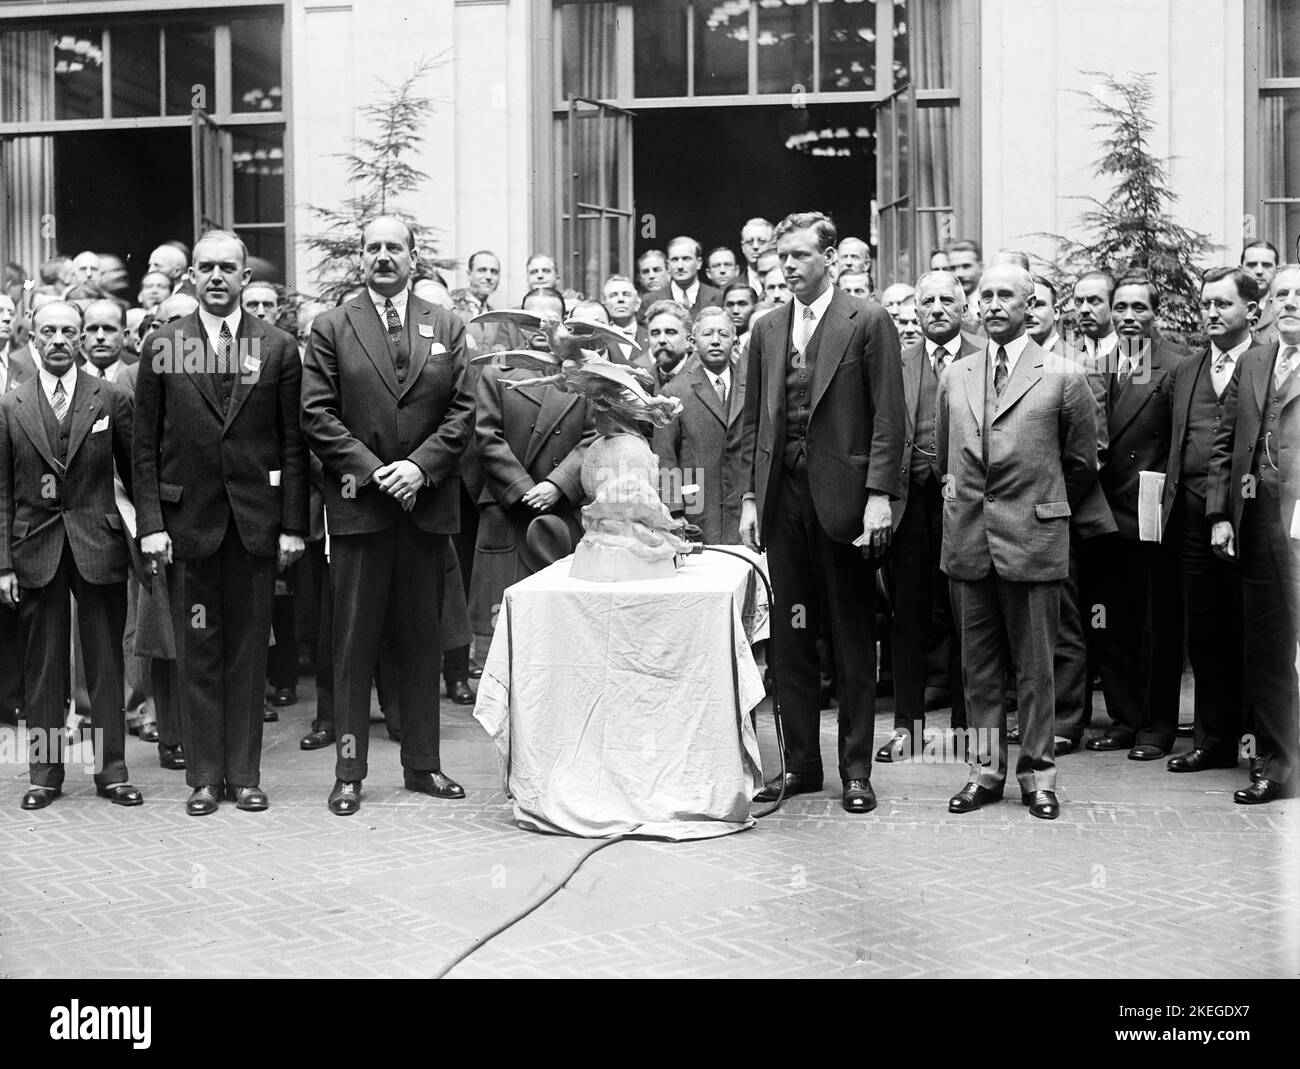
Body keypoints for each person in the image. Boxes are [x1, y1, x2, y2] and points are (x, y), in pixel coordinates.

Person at [301, 216, 474, 817]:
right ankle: (349, 771)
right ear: (361, 259)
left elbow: (464, 413)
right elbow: (317, 415)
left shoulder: (446, 326)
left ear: (413, 256)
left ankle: (423, 765)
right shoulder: (332, 328)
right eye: (372, 248)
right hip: (361, 511)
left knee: (423, 642)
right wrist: (379, 471)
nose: (382, 257)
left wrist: (420, 469)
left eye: (393, 247)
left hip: (425, 512)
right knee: (354, 645)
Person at [134, 230, 308, 817]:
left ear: (244, 278)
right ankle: (206, 777)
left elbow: (292, 444)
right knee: (197, 650)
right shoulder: (164, 345)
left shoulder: (279, 347)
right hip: (189, 525)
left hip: (255, 525)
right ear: (192, 277)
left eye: (226, 268)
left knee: (247, 654)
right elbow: (144, 448)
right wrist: (152, 524)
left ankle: (246, 775)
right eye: (205, 267)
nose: (215, 276)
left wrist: (292, 525)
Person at [739, 210, 906, 815]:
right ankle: (801, 767)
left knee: (853, 637)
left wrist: (880, 497)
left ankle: (856, 770)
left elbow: (890, 416)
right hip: (784, 502)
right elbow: (751, 419)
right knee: (792, 638)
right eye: (783, 257)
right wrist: (752, 498)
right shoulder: (767, 328)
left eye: (801, 256)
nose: (789, 266)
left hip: (847, 504)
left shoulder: (868, 320)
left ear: (830, 258)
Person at [936, 265, 1099, 821]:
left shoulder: (1063, 376)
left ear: (1030, 306)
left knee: (1035, 669)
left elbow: (1080, 463)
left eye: (1007, 295)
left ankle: (1038, 775)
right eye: (986, 296)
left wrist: (1039, 506)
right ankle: (985, 773)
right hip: (968, 540)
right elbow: (945, 458)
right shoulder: (956, 375)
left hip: (1034, 538)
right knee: (977, 669)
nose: (994, 304)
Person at [0, 301, 140, 809]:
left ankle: (112, 771)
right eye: (48, 331)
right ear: (32, 339)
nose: (59, 339)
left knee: (104, 663)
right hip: (35, 545)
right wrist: (2, 564)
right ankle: (45, 773)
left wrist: (149, 533)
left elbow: (137, 471)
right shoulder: (13, 405)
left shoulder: (110, 397)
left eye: (68, 331)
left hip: (97, 542)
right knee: (44, 668)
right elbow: (2, 491)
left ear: (81, 339)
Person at [1082, 276, 1187, 760]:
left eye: (1138, 308)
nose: (1127, 316)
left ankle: (1156, 726)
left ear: (1155, 313)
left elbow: (1181, 442)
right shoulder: (1099, 367)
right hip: (1105, 516)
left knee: (1155, 624)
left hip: (1149, 513)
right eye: (1120, 306)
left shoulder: (1178, 365)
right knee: (1112, 623)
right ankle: (1124, 719)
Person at [1207, 263, 1300, 803]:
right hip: (1259, 522)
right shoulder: (1256, 360)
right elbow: (1226, 441)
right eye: (1281, 294)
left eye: (1298, 294)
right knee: (1266, 650)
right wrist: (1221, 514)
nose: (1288, 302)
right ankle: (1276, 763)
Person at [877, 271, 979, 763]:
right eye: (927, 301)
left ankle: (966, 725)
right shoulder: (896, 361)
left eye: (947, 300)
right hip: (910, 503)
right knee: (909, 615)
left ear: (964, 308)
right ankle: (906, 725)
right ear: (914, 311)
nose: (936, 308)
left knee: (967, 614)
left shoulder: (984, 356)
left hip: (970, 502)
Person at [1160, 267, 1255, 778]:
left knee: (1254, 631)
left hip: (1249, 517)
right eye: (1206, 305)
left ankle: (1257, 742)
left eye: (1223, 304)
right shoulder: (1188, 369)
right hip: (1193, 520)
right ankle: (1211, 740)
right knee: (1206, 634)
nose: (1212, 313)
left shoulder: (1267, 365)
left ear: (1250, 311)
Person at [473, 286, 596, 620]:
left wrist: (558, 484)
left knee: (562, 621)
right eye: (532, 319)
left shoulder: (586, 375)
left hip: (563, 513)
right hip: (509, 508)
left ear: (565, 324)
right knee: (504, 627)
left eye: (550, 319)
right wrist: (524, 490)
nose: (541, 327)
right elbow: (486, 438)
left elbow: (594, 437)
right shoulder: (498, 372)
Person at [652, 306, 745, 545]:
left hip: (743, 508)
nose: (715, 341)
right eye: (707, 334)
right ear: (692, 342)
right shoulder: (674, 392)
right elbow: (666, 457)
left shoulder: (753, 386)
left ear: (735, 341)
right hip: (698, 508)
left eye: (723, 334)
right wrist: (674, 510)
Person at [644, 237, 724, 314]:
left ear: (698, 263)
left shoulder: (720, 298)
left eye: (686, 259)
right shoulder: (649, 301)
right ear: (668, 265)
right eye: (675, 259)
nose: (680, 266)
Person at [644, 300, 694, 389]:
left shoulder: (706, 376)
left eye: (670, 332)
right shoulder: (642, 382)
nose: (662, 340)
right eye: (655, 333)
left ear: (688, 340)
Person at [601, 275, 649, 367]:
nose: (620, 299)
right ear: (605, 305)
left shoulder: (652, 337)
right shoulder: (598, 340)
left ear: (637, 304)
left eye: (626, 294)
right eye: (613, 295)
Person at [1241, 240, 1280, 344]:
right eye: (1252, 265)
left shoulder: (1284, 308)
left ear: (1277, 271)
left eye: (1266, 265)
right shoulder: (1227, 307)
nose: (1259, 271)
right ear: (1240, 270)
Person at [945, 238, 984, 331]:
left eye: (966, 266)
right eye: (953, 268)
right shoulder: (944, 304)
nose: (959, 274)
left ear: (981, 267)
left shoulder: (991, 300)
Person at [740, 218, 774, 293]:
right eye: (749, 242)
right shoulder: (728, 287)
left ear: (773, 245)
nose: (755, 246)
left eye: (762, 241)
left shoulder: (789, 281)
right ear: (743, 247)